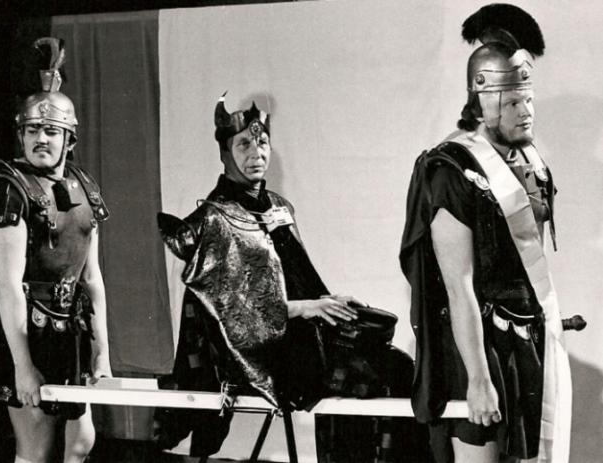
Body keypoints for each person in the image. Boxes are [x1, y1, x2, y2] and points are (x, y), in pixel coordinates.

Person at [156, 93, 424, 462]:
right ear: (225, 153)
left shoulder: (279, 208)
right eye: (244, 144)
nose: (257, 153)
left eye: (263, 143)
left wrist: (329, 301)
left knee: (400, 366)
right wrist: (307, 308)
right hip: (261, 353)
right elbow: (236, 316)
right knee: (376, 374)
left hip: (300, 339)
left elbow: (295, 278)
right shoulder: (215, 218)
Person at [400, 4, 573, 463]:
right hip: (476, 351)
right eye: (513, 101)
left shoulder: (531, 162)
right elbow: (458, 288)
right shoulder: (450, 170)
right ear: (483, 98)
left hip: (527, 342)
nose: (526, 111)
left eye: (528, 98)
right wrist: (477, 379)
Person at [0, 38, 111, 463]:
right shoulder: (7, 188)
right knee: (36, 447)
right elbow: (8, 286)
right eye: (32, 130)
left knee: (80, 443)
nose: (40, 139)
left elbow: (91, 278)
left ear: (69, 138)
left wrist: (102, 353)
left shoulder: (85, 187)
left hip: (72, 337)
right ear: (21, 134)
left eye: (51, 131)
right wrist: (22, 366)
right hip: (27, 336)